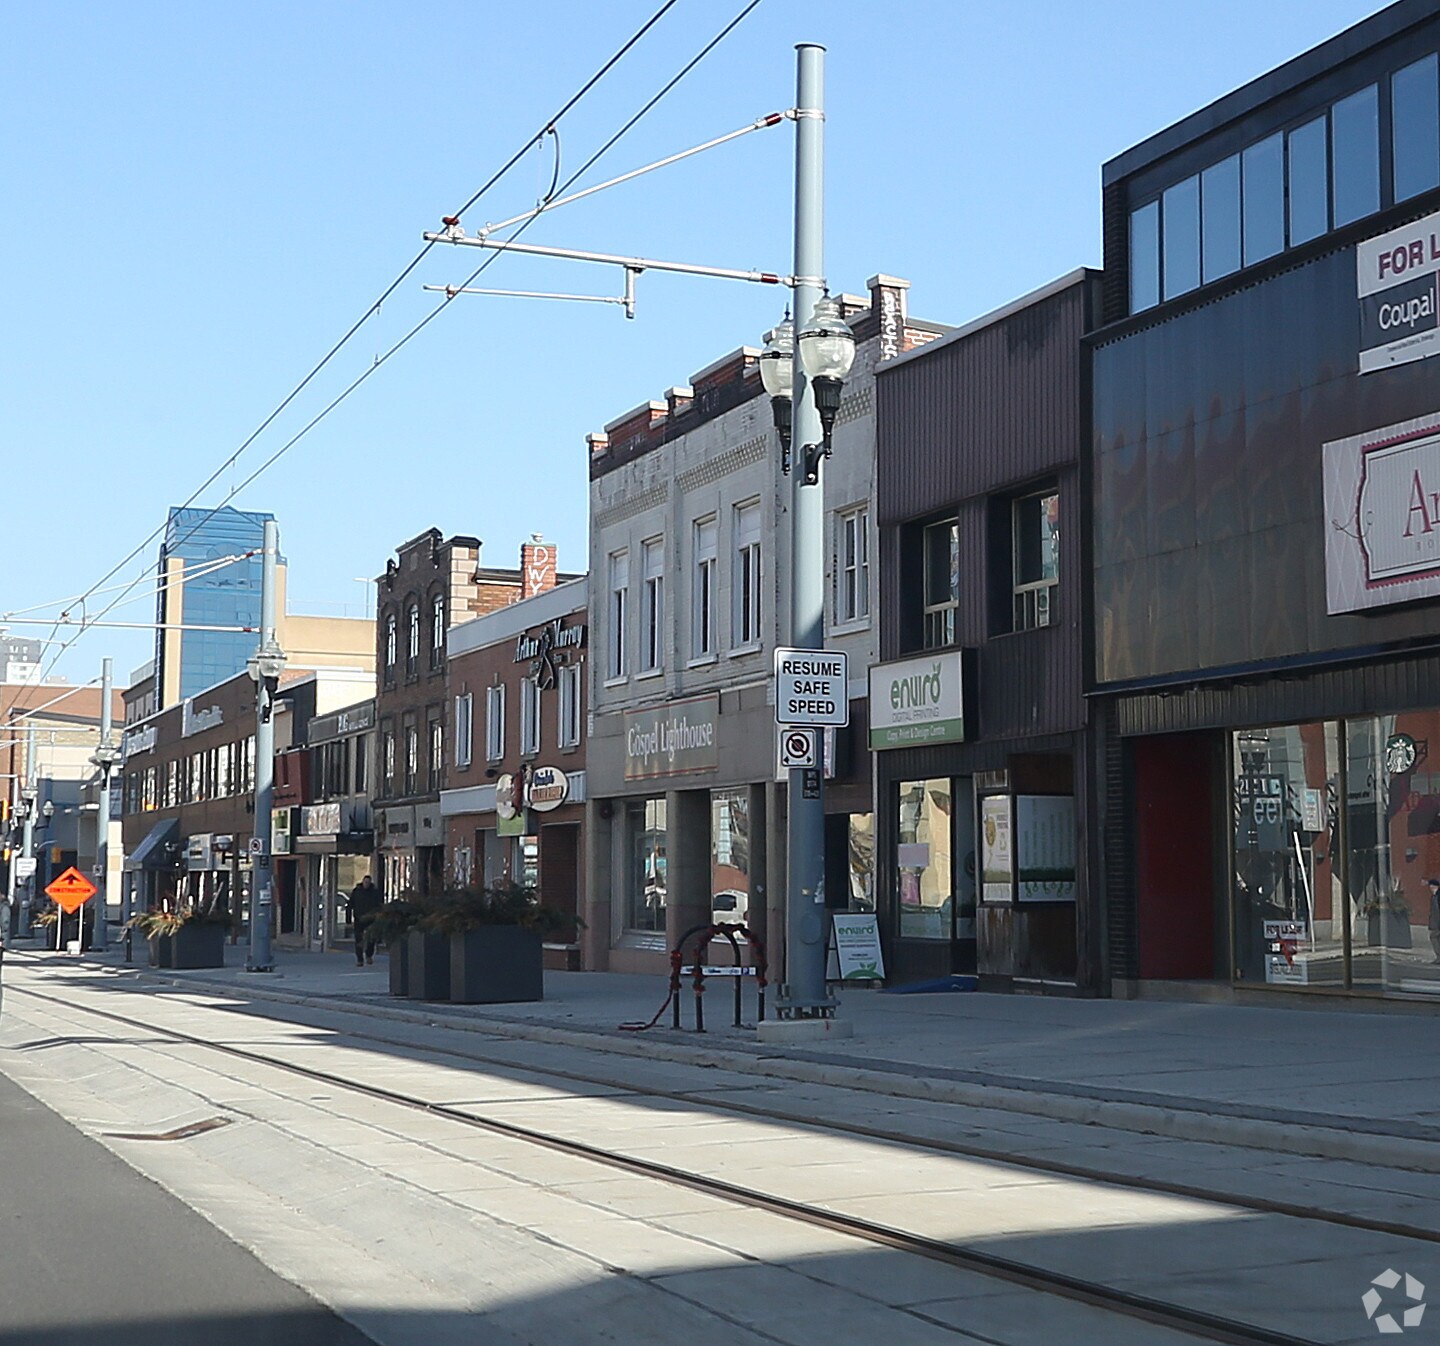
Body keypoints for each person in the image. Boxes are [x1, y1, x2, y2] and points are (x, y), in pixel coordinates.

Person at [345, 875, 383, 967]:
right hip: (359, 919)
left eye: (368, 882)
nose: (366, 884)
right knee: (358, 939)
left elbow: (380, 905)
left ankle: (369, 954)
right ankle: (359, 959)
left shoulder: (374, 893)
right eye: (365, 882)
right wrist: (348, 920)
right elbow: (350, 905)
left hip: (371, 918)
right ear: (363, 882)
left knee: (371, 939)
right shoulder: (357, 892)